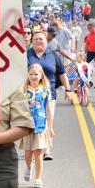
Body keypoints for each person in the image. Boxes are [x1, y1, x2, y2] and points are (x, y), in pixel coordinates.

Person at [27, 30, 73, 161]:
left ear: (46, 41)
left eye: (41, 39)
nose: (38, 41)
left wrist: (68, 90)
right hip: (30, 95)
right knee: (32, 121)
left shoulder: (53, 55)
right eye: (35, 39)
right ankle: (33, 146)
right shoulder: (26, 55)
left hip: (49, 95)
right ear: (32, 42)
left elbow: (62, 74)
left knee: (47, 120)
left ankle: (46, 149)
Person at [21, 64, 54, 188]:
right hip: (27, 125)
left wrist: (50, 127)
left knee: (38, 153)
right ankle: (29, 167)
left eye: (36, 74)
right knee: (28, 152)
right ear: (28, 76)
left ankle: (38, 178)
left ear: (41, 76)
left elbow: (48, 110)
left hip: (41, 126)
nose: (33, 76)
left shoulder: (45, 90)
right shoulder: (24, 90)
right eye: (31, 74)